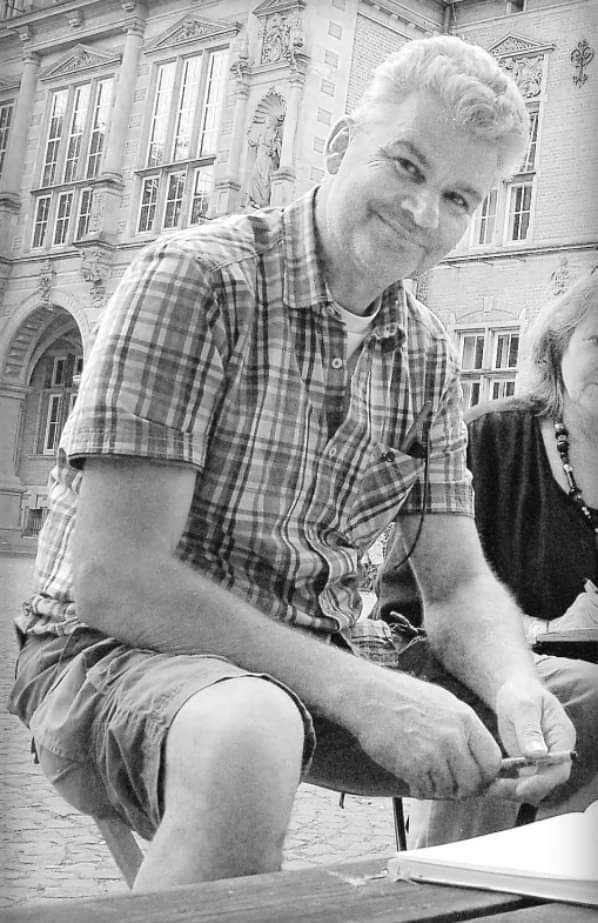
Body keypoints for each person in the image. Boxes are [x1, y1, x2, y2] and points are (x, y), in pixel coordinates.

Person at [8, 36, 579, 893]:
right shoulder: (198, 278)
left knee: (576, 708)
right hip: (114, 654)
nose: (423, 211)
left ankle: (459, 894)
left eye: (459, 197)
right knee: (251, 728)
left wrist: (512, 684)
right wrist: (363, 692)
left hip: (323, 650)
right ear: (340, 142)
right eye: (407, 166)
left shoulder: (426, 351)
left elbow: (458, 584)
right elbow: (116, 580)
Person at [377, 268, 598, 847]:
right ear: (557, 350)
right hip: (465, 662)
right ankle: (459, 874)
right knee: (559, 700)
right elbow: (412, 606)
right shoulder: (489, 438)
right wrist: (532, 637)